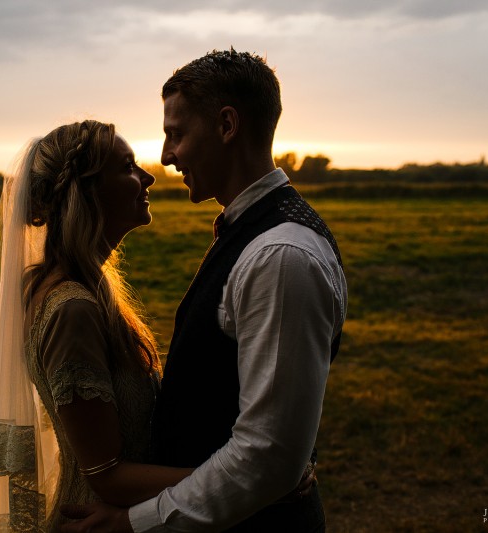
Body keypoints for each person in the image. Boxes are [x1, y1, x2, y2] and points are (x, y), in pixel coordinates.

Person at [61, 50, 347, 532]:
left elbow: (268, 456)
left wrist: (135, 523)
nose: (167, 155)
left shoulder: (279, 257)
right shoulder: (252, 234)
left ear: (227, 125)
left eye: (176, 134)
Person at [0, 120, 198, 532]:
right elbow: (106, 474)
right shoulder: (72, 308)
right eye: (128, 167)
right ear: (86, 191)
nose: (147, 178)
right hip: (98, 520)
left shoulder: (83, 290)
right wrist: (244, 482)